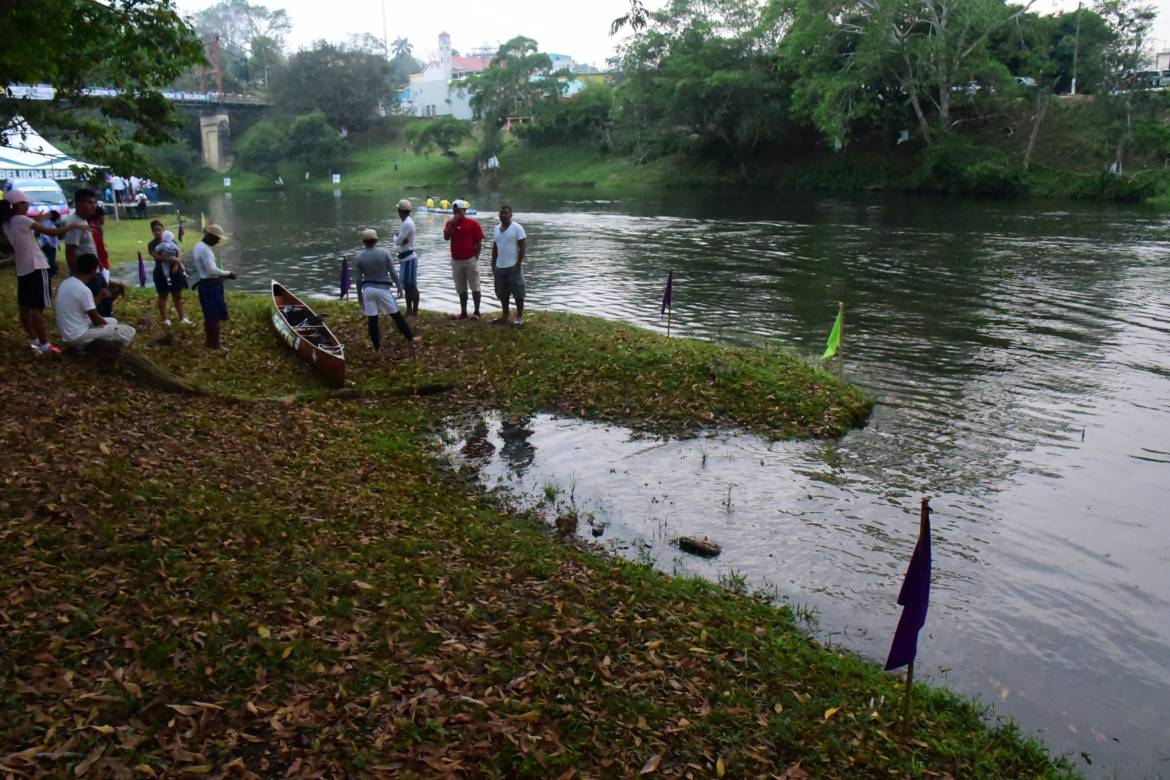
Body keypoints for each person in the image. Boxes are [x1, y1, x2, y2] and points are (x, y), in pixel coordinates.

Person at [1, 189, 71, 353]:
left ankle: (34, 340)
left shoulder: (7, 223)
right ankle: (45, 344)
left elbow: (31, 222)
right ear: (18, 205)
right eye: (25, 203)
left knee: (25, 307)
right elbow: (52, 232)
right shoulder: (22, 220)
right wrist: (73, 225)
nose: (28, 205)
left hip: (23, 269)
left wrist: (44, 217)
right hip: (37, 266)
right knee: (36, 308)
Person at [353, 228, 420, 350]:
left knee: (372, 320)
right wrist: (399, 286)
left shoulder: (360, 258)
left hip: (368, 290)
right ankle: (411, 338)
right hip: (383, 289)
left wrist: (359, 295)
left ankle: (376, 348)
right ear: (376, 240)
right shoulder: (384, 253)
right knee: (396, 316)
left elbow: (358, 280)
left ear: (364, 242)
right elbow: (392, 272)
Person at [55, 253, 136, 350]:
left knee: (113, 321)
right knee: (129, 331)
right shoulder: (83, 290)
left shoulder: (65, 283)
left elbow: (85, 308)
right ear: (94, 271)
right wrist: (108, 328)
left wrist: (100, 296)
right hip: (79, 336)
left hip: (67, 334)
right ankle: (123, 358)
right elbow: (96, 320)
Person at [192, 223, 235, 351]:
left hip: (205, 285)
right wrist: (228, 273)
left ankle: (210, 342)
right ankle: (215, 345)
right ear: (209, 236)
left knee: (209, 315)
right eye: (216, 238)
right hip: (210, 287)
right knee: (214, 317)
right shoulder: (205, 250)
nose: (218, 241)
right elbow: (211, 270)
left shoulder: (198, 246)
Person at [442, 199, 484, 320]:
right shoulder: (450, 223)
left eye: (459, 211)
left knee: (475, 286)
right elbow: (446, 237)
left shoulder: (473, 224)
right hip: (456, 260)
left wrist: (475, 258)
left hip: (470, 259)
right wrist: (453, 223)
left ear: (464, 211)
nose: (456, 213)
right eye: (454, 211)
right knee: (461, 288)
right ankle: (464, 312)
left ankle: (476, 311)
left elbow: (479, 242)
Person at [148, 220, 191, 326]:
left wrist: (176, 263)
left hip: (175, 272)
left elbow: (179, 253)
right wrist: (170, 259)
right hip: (161, 272)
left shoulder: (172, 241)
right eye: (155, 230)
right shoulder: (152, 244)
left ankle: (182, 318)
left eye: (159, 230)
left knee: (177, 295)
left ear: (163, 230)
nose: (157, 232)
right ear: (152, 232)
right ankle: (165, 319)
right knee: (163, 295)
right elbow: (156, 256)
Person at [491, 204, 527, 326]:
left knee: (518, 292)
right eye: (501, 213)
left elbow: (522, 246)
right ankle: (505, 315)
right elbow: (495, 247)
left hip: (513, 266)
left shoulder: (517, 228)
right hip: (500, 266)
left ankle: (519, 317)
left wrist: (519, 263)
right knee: (502, 293)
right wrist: (493, 263)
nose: (504, 215)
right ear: (499, 215)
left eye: (506, 213)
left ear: (511, 215)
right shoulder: (496, 229)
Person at [394, 198, 420, 317]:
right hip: (406, 257)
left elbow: (398, 242)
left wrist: (395, 237)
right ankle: (409, 310)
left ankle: (414, 311)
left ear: (400, 211)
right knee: (406, 285)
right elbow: (401, 241)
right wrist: (399, 238)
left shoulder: (406, 224)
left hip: (409, 258)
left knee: (411, 286)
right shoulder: (406, 222)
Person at [37, 209, 61, 277]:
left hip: (49, 244)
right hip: (48, 244)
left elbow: (52, 235)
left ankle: (53, 271)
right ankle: (52, 272)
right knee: (51, 258)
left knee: (51, 258)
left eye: (48, 214)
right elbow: (46, 235)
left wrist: (57, 244)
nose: (46, 214)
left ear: (50, 216)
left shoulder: (48, 223)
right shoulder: (47, 223)